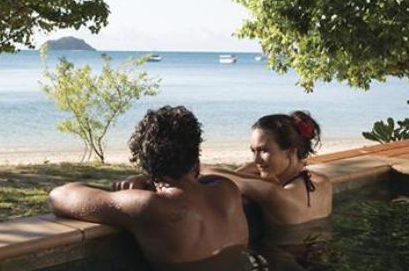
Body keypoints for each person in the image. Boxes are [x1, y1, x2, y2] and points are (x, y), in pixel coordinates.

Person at [48, 106, 260, 271]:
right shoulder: (227, 190)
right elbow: (198, 183)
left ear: (146, 164)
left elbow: (59, 196)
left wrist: (140, 185)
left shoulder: (150, 206)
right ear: (196, 156)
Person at [203, 111, 332, 226]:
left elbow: (211, 173)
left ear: (290, 151)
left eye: (264, 151)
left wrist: (240, 172)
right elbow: (256, 166)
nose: (256, 159)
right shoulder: (324, 183)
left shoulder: (275, 195)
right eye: (254, 151)